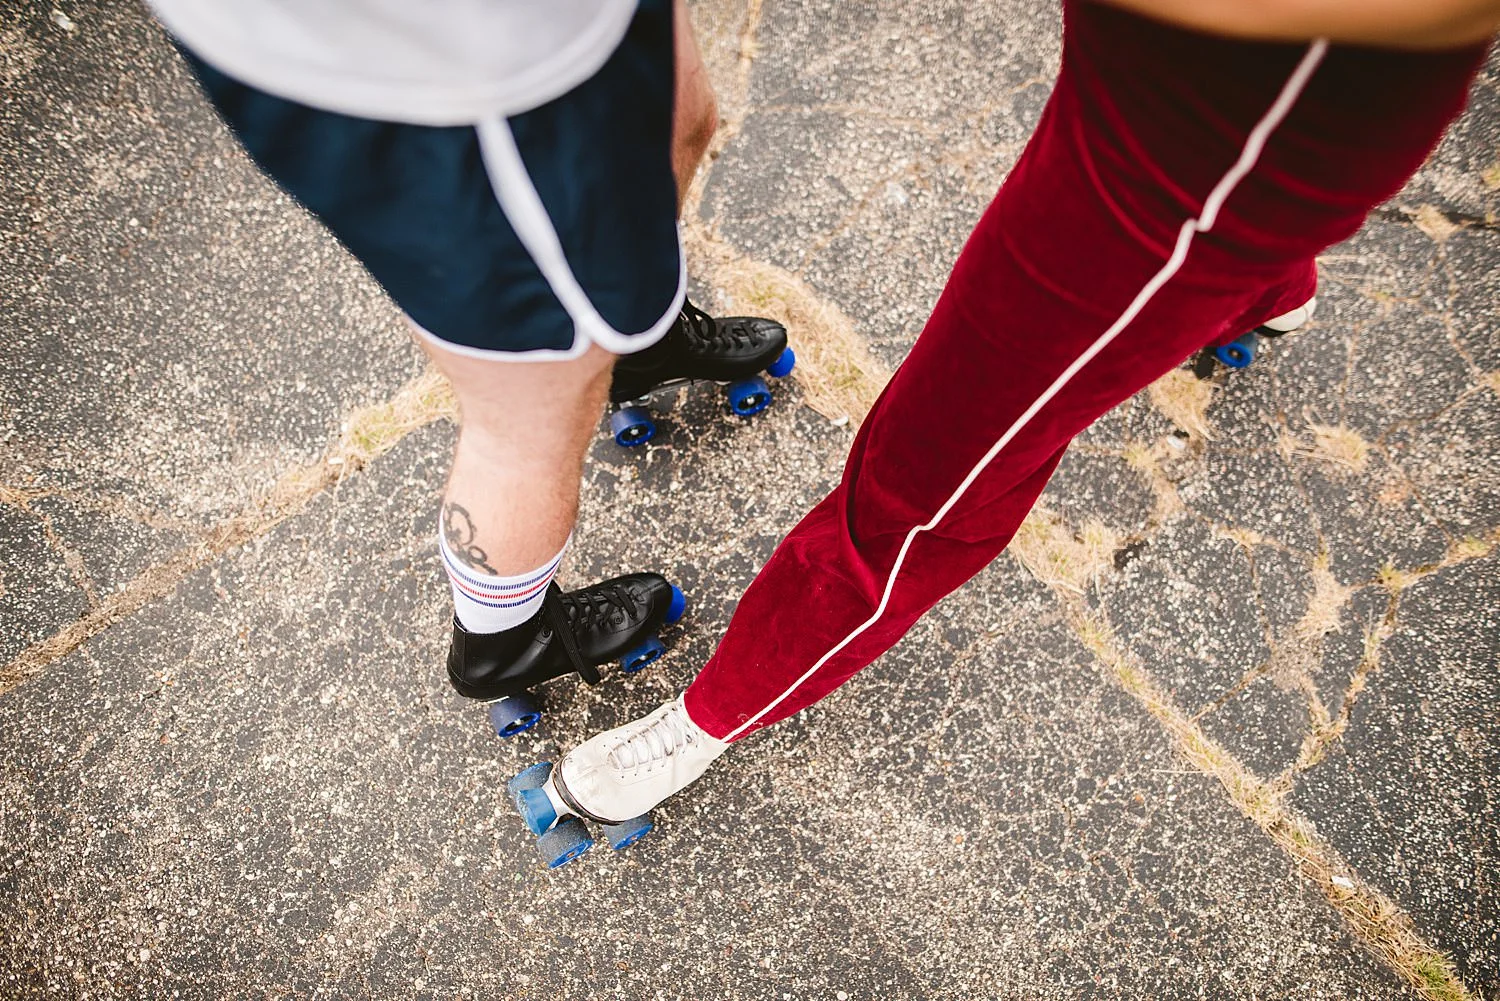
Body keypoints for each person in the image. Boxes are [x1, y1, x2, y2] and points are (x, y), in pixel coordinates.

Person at [515, 0, 1497, 857]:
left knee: (922, 489)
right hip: (1229, 131)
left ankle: (705, 719)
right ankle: (1267, 279)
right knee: (1249, 210)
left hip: (1175, 165)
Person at [146, 0, 794, 737]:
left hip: (555, 38)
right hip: (461, 81)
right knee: (523, 421)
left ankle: (636, 342)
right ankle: (504, 640)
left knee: (682, 119)